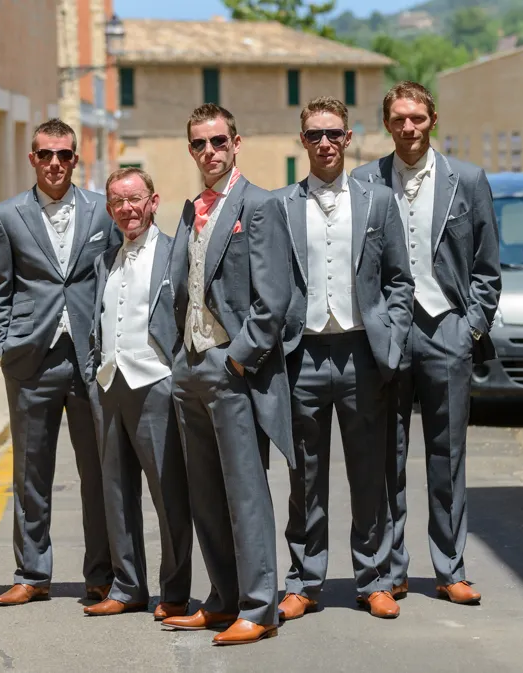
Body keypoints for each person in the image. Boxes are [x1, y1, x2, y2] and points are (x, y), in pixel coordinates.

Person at [351, 81, 502, 605]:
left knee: (447, 455)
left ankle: (451, 568)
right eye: (398, 119)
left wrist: (470, 327)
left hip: (446, 330)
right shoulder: (364, 181)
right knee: (386, 457)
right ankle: (391, 569)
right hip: (387, 334)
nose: (408, 127)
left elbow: (487, 266)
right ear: (387, 124)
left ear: (432, 120)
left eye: (416, 118)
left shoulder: (468, 180)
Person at [275, 96, 414, 621]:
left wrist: (392, 340)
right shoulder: (283, 205)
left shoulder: (378, 201)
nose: (325, 143)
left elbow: (400, 280)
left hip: (362, 352)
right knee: (305, 477)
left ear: (348, 138)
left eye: (333, 133)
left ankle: (373, 578)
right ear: (303, 141)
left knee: (368, 472)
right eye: (315, 135)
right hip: (304, 353)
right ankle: (304, 581)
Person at [161, 103, 293, 646]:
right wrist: (178, 355)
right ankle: (221, 599)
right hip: (190, 365)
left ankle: (260, 608)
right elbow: (180, 285)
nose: (209, 152)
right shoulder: (191, 208)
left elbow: (274, 298)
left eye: (218, 141)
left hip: (230, 365)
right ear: (190, 149)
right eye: (199, 143)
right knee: (205, 495)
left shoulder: (259, 205)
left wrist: (238, 358)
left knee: (245, 494)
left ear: (236, 144)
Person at [0, 118, 119, 606]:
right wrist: (0, 345)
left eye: (64, 154)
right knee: (31, 473)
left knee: (98, 471)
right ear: (33, 159)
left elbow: (117, 275)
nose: (55, 163)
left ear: (75, 159)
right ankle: (32, 574)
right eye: (46, 154)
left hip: (90, 359)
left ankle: (101, 574)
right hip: (31, 361)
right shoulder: (7, 216)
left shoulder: (102, 211)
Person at [83, 168, 192, 620]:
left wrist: (177, 376)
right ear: (110, 209)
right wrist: (94, 372)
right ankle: (127, 586)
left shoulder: (175, 253)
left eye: (134, 199)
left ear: (153, 201)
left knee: (169, 494)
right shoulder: (104, 261)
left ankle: (175, 591)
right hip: (110, 384)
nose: (126, 209)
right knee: (116, 492)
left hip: (156, 383)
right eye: (117, 202)